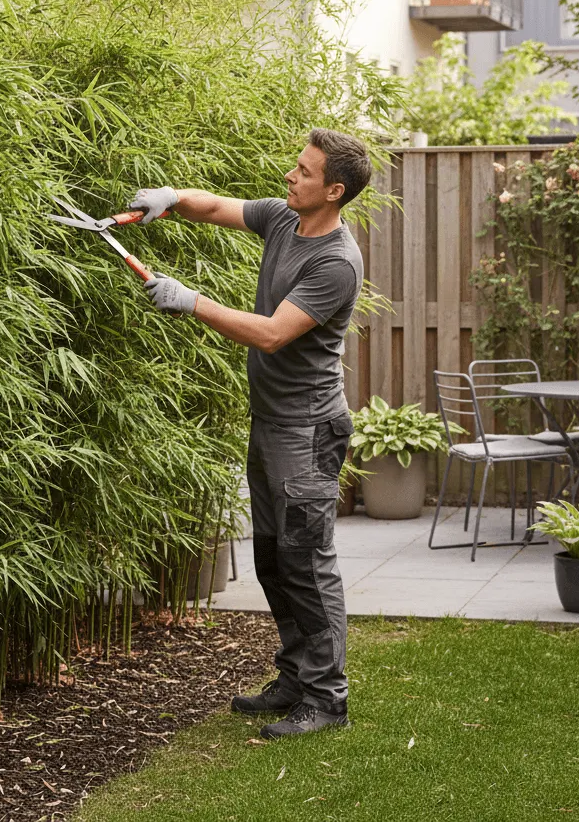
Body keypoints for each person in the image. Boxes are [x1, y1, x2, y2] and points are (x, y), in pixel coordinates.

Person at [127, 127, 370, 740]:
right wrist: (171, 197)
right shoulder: (285, 220)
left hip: (308, 431)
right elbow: (218, 206)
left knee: (307, 563)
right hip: (271, 424)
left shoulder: (335, 262)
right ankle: (295, 677)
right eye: (296, 166)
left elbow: (269, 333)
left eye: (304, 172)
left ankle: (327, 697)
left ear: (334, 190)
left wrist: (190, 301)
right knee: (272, 558)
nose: (291, 176)